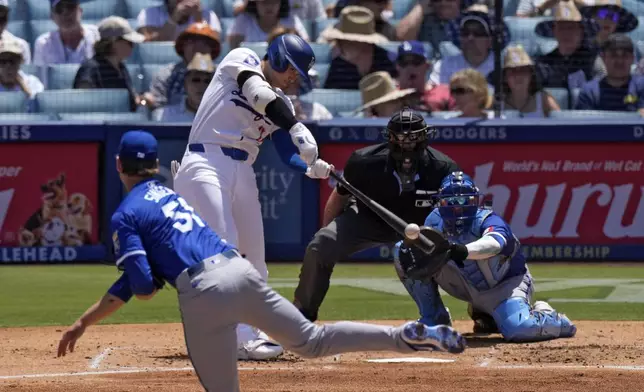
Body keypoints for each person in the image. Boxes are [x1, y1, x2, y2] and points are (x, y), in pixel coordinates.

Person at [56, 130, 467, 392]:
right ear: (156, 167)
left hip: (202, 294)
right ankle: (403, 336)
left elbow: (141, 287)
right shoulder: (172, 197)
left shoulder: (126, 213)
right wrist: (88, 319)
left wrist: (88, 319)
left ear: (118, 165)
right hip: (238, 269)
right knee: (312, 341)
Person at [170, 34, 332, 360]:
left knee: (255, 259)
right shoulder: (241, 59)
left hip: (243, 169)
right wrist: (297, 126)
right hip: (205, 161)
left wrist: (310, 167)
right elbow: (257, 94)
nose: (294, 77)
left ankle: (247, 330)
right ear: (278, 57)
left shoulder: (282, 103)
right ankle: (235, 338)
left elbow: (288, 153)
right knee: (225, 249)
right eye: (292, 69)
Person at [293, 109, 460, 323]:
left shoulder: (443, 167)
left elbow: (455, 212)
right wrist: (327, 235)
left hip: (422, 228)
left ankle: (471, 311)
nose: (405, 143)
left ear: (425, 137)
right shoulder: (364, 161)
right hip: (368, 220)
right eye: (399, 137)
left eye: (413, 138)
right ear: (388, 137)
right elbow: (340, 196)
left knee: (464, 249)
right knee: (321, 244)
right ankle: (302, 315)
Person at [392, 171, 577, 341]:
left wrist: (463, 250)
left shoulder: (489, 219)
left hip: (504, 286)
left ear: (476, 201)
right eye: (451, 201)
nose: (458, 207)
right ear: (440, 202)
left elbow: (494, 244)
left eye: (464, 201)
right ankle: (434, 316)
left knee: (519, 328)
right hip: (465, 284)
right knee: (406, 252)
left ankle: (553, 319)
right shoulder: (434, 221)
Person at [534, 1, 604, 102]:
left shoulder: (594, 61)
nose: (566, 33)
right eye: (561, 27)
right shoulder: (543, 64)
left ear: (581, 31)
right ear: (554, 31)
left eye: (571, 27)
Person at [73, 17, 145, 112]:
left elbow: (128, 101)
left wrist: (142, 100)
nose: (132, 46)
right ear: (113, 42)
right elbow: (83, 102)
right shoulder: (91, 68)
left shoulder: (121, 67)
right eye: (129, 42)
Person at [144, 22, 221, 110]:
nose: (198, 47)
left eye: (205, 43)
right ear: (182, 46)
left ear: (213, 49)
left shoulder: (223, 75)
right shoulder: (166, 76)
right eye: (192, 42)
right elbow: (158, 109)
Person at [320, 6, 396, 90]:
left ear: (360, 42)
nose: (337, 44)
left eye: (342, 40)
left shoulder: (390, 61)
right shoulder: (338, 65)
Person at [576, 34, 644, 115]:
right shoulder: (589, 91)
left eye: (625, 56)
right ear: (603, 58)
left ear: (632, 58)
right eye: (614, 55)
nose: (620, 61)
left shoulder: (641, 86)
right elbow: (584, 124)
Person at [492, 45, 560, 117]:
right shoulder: (496, 102)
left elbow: (562, 124)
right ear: (505, 77)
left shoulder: (544, 99)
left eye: (523, 70)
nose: (518, 76)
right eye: (512, 71)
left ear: (531, 75)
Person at [33, 0, 100, 66]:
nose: (65, 13)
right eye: (59, 10)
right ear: (52, 17)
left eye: (70, 7)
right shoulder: (43, 44)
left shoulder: (97, 36)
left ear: (80, 11)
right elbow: (40, 75)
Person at [395, 41, 455, 114]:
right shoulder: (389, 96)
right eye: (404, 63)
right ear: (397, 67)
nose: (410, 67)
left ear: (427, 66)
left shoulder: (444, 93)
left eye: (416, 62)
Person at [153, 53, 215, 122]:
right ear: (185, 84)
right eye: (196, 80)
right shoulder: (166, 116)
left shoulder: (222, 115)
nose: (201, 85)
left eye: (207, 81)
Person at [227, 0, 310, 49]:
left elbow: (305, 46)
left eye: (274, 1)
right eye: (265, 2)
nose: (269, 6)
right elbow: (233, 48)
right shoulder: (243, 19)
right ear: (255, 3)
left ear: (281, 3)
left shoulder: (291, 20)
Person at [137, 0, 222, 42]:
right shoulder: (149, 13)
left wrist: (198, 19)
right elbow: (149, 46)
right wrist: (174, 19)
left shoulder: (208, 15)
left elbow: (213, 45)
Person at [0, 39, 44, 111]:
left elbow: (37, 109)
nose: (8, 66)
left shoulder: (33, 82)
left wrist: (24, 87)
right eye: (2, 61)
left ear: (20, 62)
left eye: (12, 61)